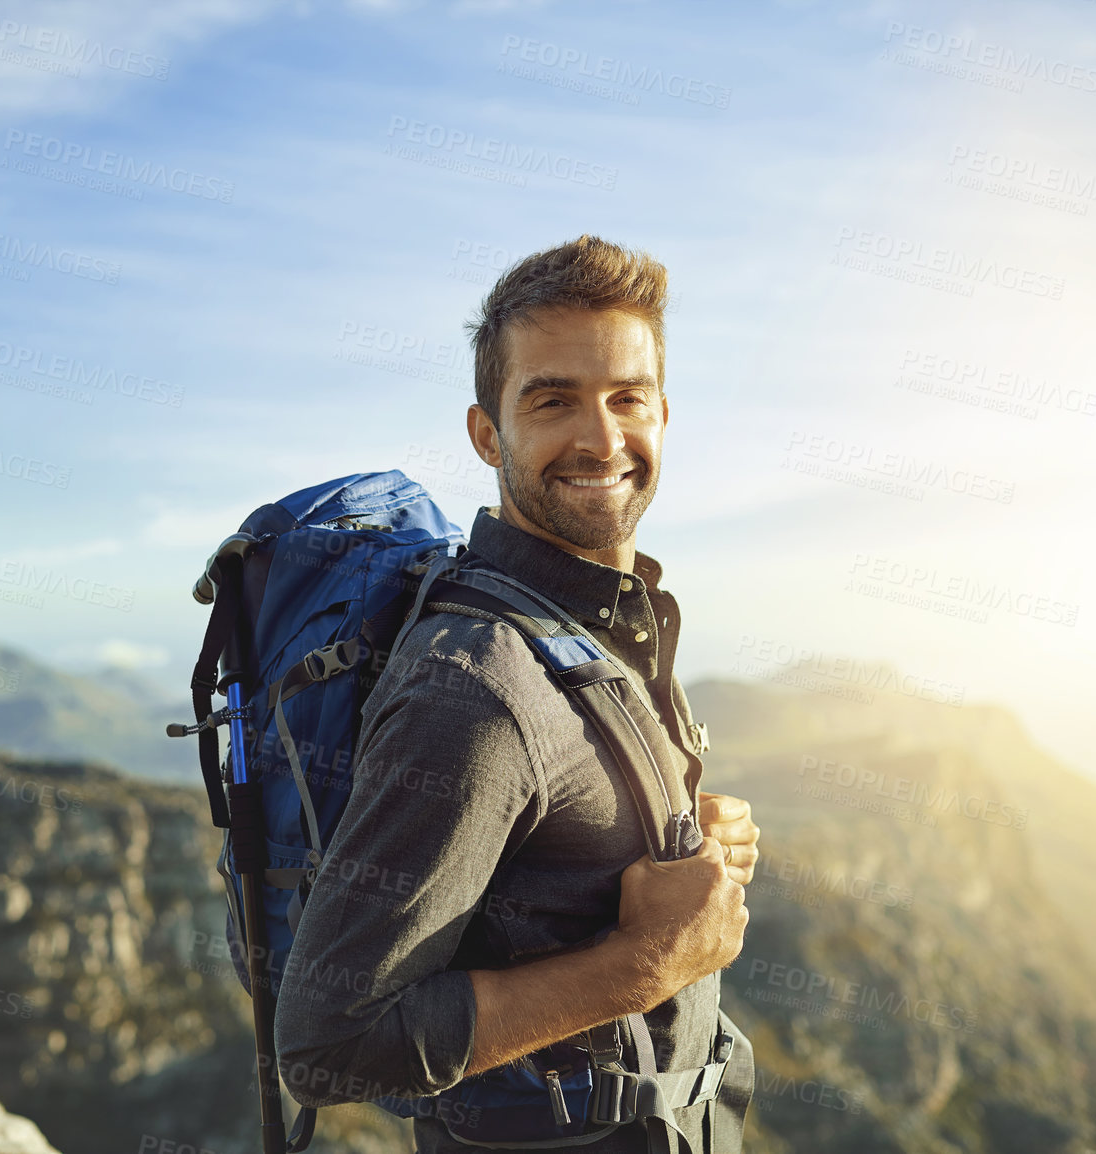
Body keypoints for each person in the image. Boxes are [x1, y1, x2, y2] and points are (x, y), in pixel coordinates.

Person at [274, 235, 759, 1152]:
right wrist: (648, 963)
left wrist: (678, 822)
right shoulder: (475, 686)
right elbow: (328, 1046)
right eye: (554, 401)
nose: (602, 438)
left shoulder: (605, 621)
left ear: (663, 413)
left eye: (629, 398)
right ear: (487, 432)